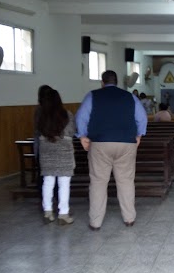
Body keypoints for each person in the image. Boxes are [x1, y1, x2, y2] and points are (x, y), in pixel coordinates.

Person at [75, 70, 148, 230]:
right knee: (126, 181)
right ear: (117, 82)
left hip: (100, 143)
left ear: (102, 82)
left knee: (98, 182)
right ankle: (129, 218)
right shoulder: (130, 97)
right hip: (126, 143)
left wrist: (82, 136)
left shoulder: (92, 96)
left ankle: (95, 222)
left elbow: (81, 117)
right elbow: (142, 117)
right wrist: (139, 135)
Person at [36, 89, 76, 225]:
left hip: (46, 149)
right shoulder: (67, 114)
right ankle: (63, 214)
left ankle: (47, 212)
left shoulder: (41, 115)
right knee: (64, 183)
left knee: (48, 181)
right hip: (64, 149)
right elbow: (71, 131)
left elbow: (38, 131)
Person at [33, 84, 53, 197]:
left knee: (43, 171)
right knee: (46, 172)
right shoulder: (42, 110)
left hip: (41, 143)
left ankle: (44, 196)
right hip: (46, 143)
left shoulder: (39, 110)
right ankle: (47, 195)